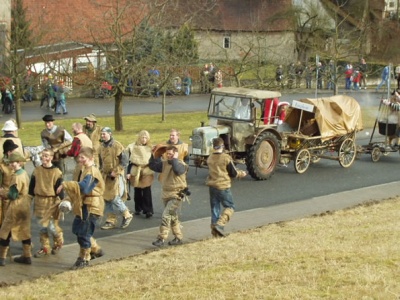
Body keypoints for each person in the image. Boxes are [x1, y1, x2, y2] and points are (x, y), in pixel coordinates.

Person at [56, 147, 105, 269]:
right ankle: (95, 249)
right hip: (84, 205)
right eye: (79, 157)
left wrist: (65, 184)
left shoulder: (92, 172)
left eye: (83, 158)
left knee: (84, 233)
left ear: (91, 158)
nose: (80, 160)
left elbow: (84, 188)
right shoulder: (85, 170)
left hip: (92, 206)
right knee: (77, 229)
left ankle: (84, 258)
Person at [206, 138, 247, 237]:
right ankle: (220, 224)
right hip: (223, 186)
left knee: (215, 209)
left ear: (213, 146)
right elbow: (233, 173)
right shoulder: (225, 158)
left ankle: (214, 232)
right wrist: (242, 173)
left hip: (212, 186)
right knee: (230, 207)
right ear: (222, 146)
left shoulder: (210, 158)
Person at [149, 145, 189, 246]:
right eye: (167, 154)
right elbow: (152, 166)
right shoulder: (164, 164)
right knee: (173, 217)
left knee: (166, 215)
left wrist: (175, 158)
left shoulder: (181, 165)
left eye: (171, 154)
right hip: (166, 193)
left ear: (176, 154)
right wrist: (154, 155)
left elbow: (177, 170)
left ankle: (161, 238)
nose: (169, 156)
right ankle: (178, 237)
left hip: (177, 195)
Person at [29, 149, 64, 257]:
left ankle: (58, 243)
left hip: (51, 201)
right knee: (41, 227)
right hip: (39, 201)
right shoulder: (37, 171)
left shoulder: (56, 172)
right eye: (43, 156)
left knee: (52, 227)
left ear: (51, 158)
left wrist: (61, 202)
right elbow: (31, 188)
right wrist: (28, 200)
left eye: (46, 156)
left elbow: (60, 190)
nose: (44, 158)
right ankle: (45, 247)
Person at [0, 152, 32, 266]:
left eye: (13, 162)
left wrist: (3, 192)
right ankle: (27, 256)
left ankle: (2, 258)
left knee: (5, 231)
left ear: (19, 163)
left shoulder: (17, 176)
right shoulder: (24, 173)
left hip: (16, 205)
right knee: (24, 231)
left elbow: (13, 195)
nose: (11, 165)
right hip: (25, 204)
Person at [99, 127, 133, 230]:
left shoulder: (117, 145)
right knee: (106, 198)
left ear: (110, 134)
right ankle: (110, 220)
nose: (102, 135)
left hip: (116, 177)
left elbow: (125, 161)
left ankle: (127, 215)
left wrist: (116, 171)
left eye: (104, 133)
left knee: (115, 197)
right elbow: (101, 162)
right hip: (106, 176)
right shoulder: (101, 147)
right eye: (101, 134)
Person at [126, 130, 154, 218]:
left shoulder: (151, 148)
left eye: (146, 137)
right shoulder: (133, 147)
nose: (144, 139)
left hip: (146, 170)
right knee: (137, 191)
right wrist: (128, 172)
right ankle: (138, 208)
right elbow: (130, 161)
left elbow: (153, 160)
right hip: (135, 169)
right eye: (142, 137)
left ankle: (148, 210)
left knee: (146, 191)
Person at [0, 140, 21, 228]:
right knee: (5, 224)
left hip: (17, 197)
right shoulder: (2, 166)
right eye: (14, 151)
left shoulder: (17, 162)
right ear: (9, 152)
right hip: (6, 198)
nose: (16, 152)